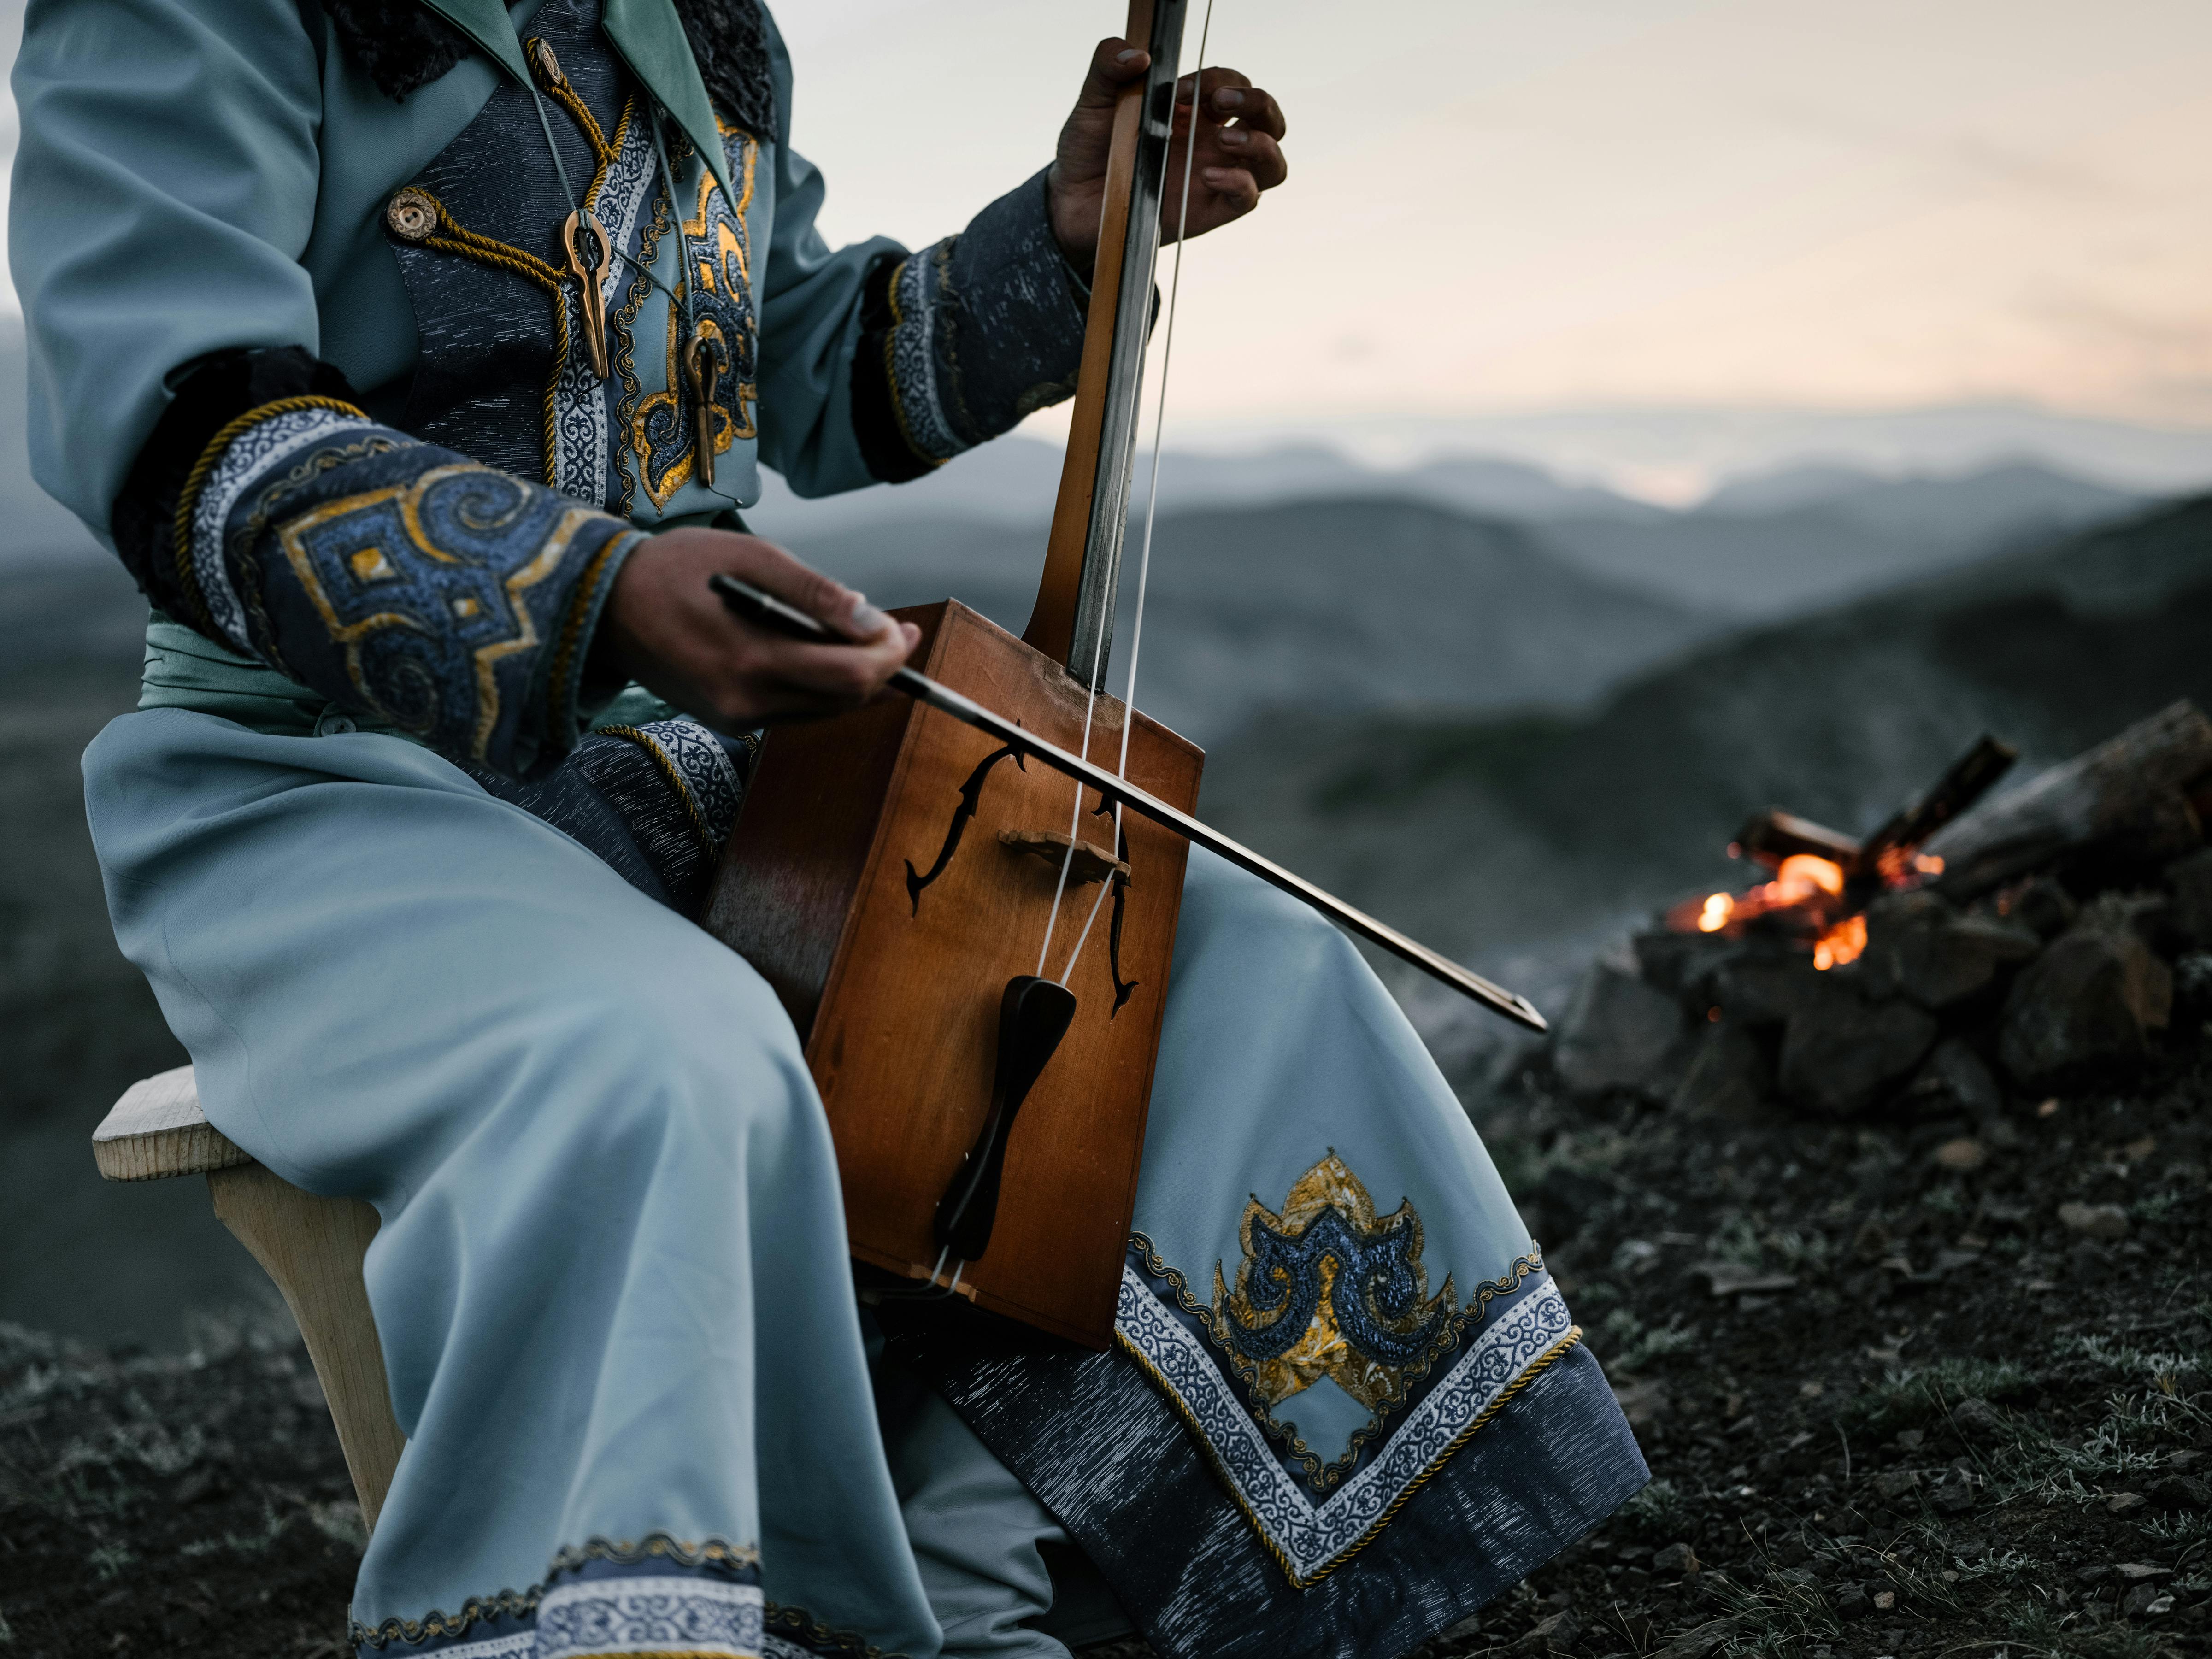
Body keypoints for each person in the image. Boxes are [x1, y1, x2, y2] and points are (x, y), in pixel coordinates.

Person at [12, 2, 1647, 1655]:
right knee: (670, 1061)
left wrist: (1058, 241)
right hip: (333, 780)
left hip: (727, 752)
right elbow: (172, 417)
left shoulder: (697, 25)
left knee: (1207, 966)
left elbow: (798, 364)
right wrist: (588, 593)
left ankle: (989, 1581)